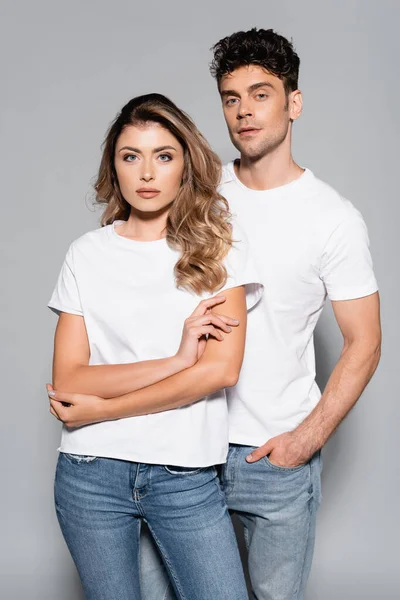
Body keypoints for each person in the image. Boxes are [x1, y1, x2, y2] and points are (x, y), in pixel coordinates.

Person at [135, 28, 382, 600]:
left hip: (274, 455)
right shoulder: (196, 193)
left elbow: (364, 343)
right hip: (184, 447)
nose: (244, 111)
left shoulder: (333, 218)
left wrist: (304, 441)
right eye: (230, 97)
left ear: (293, 103)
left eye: (261, 93)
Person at [47, 92, 263, 600]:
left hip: (183, 472)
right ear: (115, 167)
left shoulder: (220, 247)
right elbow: (71, 378)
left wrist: (103, 407)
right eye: (131, 156)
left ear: (185, 165)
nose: (147, 172)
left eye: (163, 156)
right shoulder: (86, 254)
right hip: (89, 472)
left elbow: (219, 373)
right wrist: (176, 360)